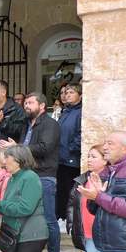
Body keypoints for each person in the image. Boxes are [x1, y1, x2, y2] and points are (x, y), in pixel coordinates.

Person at [0, 92, 61, 252]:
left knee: (48, 219)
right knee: (26, 215)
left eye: (30, 103)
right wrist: (17, 147)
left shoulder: (50, 124)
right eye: (25, 103)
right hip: (28, 175)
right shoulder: (27, 125)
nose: (26, 105)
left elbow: (45, 147)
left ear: (42, 106)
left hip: (44, 176)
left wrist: (17, 149)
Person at [56, 84, 82, 221]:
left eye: (72, 92)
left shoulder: (80, 112)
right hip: (60, 157)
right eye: (66, 92)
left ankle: (69, 219)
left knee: (70, 191)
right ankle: (61, 217)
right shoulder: (65, 111)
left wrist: (71, 148)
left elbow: (80, 133)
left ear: (80, 95)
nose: (67, 95)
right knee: (61, 190)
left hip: (71, 159)